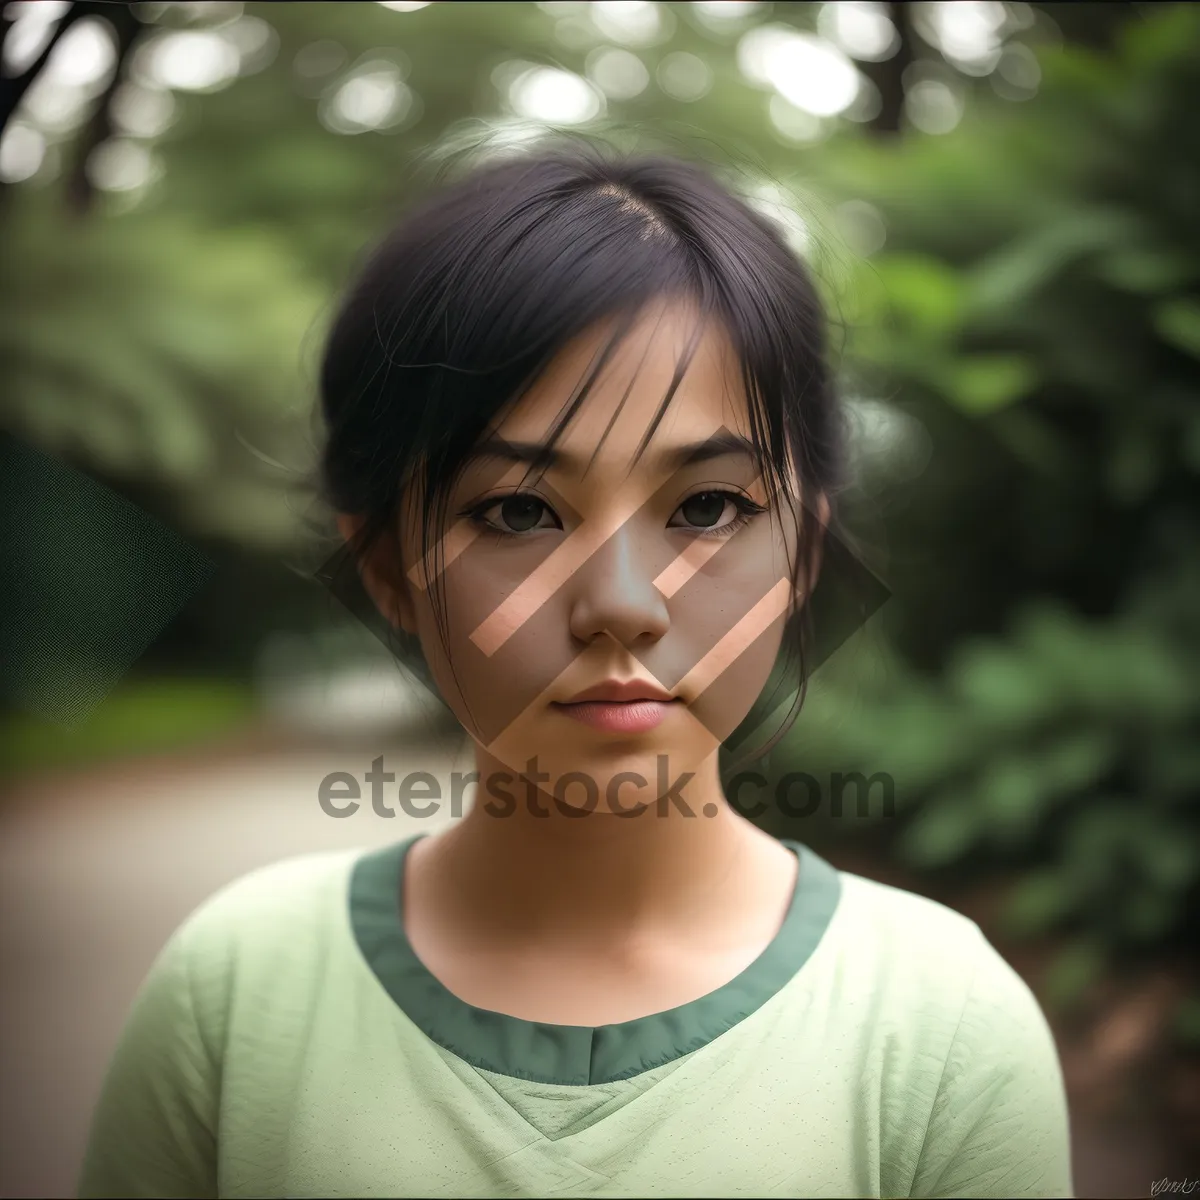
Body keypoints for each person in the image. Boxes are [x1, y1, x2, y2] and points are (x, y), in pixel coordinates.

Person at [78, 142, 1073, 1199]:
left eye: (707, 508)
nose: (622, 606)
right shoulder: (236, 996)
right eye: (519, 511)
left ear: (803, 553)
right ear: (388, 569)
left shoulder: (939, 1028)